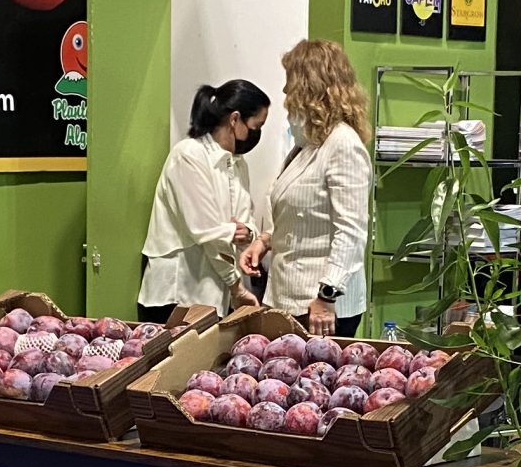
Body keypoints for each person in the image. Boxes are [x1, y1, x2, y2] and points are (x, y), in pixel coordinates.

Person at [245, 38, 374, 338]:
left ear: (309, 85)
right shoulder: (309, 144)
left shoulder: (342, 145)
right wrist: (265, 241)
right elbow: (306, 217)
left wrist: (327, 295)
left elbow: (351, 231)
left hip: (321, 308)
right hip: (290, 299)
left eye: (290, 81)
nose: (285, 91)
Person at [137, 80, 269, 321]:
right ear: (235, 119)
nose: (257, 134)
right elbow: (206, 231)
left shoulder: (238, 164)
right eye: (256, 126)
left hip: (218, 298)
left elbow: (244, 222)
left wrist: (247, 233)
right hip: (178, 294)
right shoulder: (189, 155)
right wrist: (236, 285)